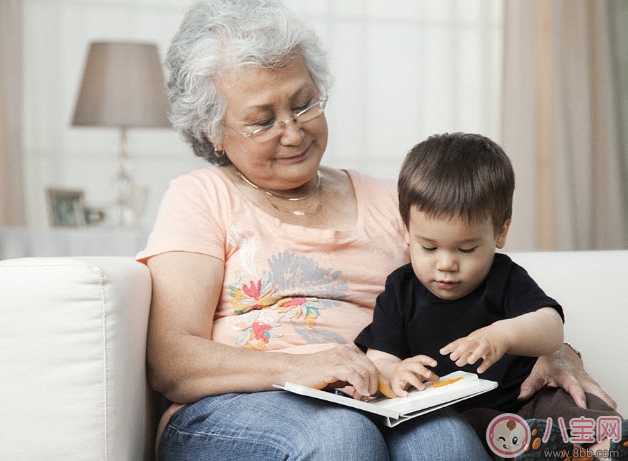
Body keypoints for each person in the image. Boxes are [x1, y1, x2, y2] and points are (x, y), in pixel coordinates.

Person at [136, 1, 617, 459]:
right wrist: (304, 368)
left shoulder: (398, 203)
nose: (293, 131)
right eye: (262, 121)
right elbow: (172, 360)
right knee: (340, 437)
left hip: (384, 398)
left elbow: (487, 294)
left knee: (446, 441)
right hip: (237, 409)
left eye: (304, 105)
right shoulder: (200, 197)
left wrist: (557, 353)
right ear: (212, 130)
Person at [355, 132, 626, 460]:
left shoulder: (504, 278)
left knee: (574, 402)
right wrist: (394, 372)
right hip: (461, 417)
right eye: (428, 247)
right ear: (407, 231)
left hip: (526, 399)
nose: (446, 265)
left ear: (501, 232)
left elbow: (551, 327)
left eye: (466, 249)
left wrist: (503, 335)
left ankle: (605, 444)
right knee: (476, 423)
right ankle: (538, 447)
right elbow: (377, 358)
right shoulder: (399, 290)